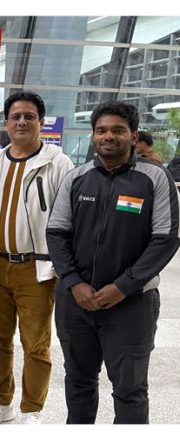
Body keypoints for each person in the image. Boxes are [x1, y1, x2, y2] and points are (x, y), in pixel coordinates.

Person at [47, 100, 180, 424]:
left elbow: (166, 239)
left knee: (130, 389)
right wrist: (74, 282)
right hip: (76, 303)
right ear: (93, 136)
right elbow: (56, 233)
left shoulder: (154, 178)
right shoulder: (76, 178)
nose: (109, 136)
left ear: (133, 136)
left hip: (131, 305)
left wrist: (123, 286)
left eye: (118, 130)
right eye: (102, 130)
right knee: (78, 382)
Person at [0, 91, 74, 425]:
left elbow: (69, 217)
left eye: (29, 116)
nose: (21, 122)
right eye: (15, 116)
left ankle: (33, 409)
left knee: (35, 344)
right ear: (5, 122)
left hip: (36, 268)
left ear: (41, 123)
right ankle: (1, 402)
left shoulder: (58, 163)